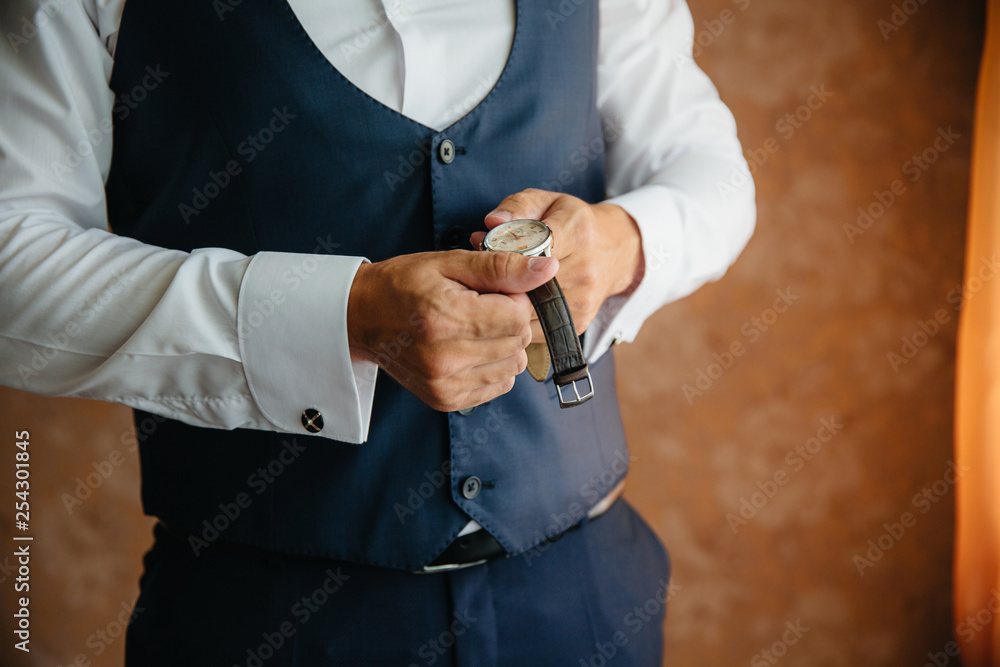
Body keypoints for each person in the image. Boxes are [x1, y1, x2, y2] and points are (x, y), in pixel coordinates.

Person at [0, 0, 755, 664]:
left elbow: (710, 173)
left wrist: (618, 241)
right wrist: (346, 315)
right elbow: (12, 258)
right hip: (262, 619)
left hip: (583, 598)